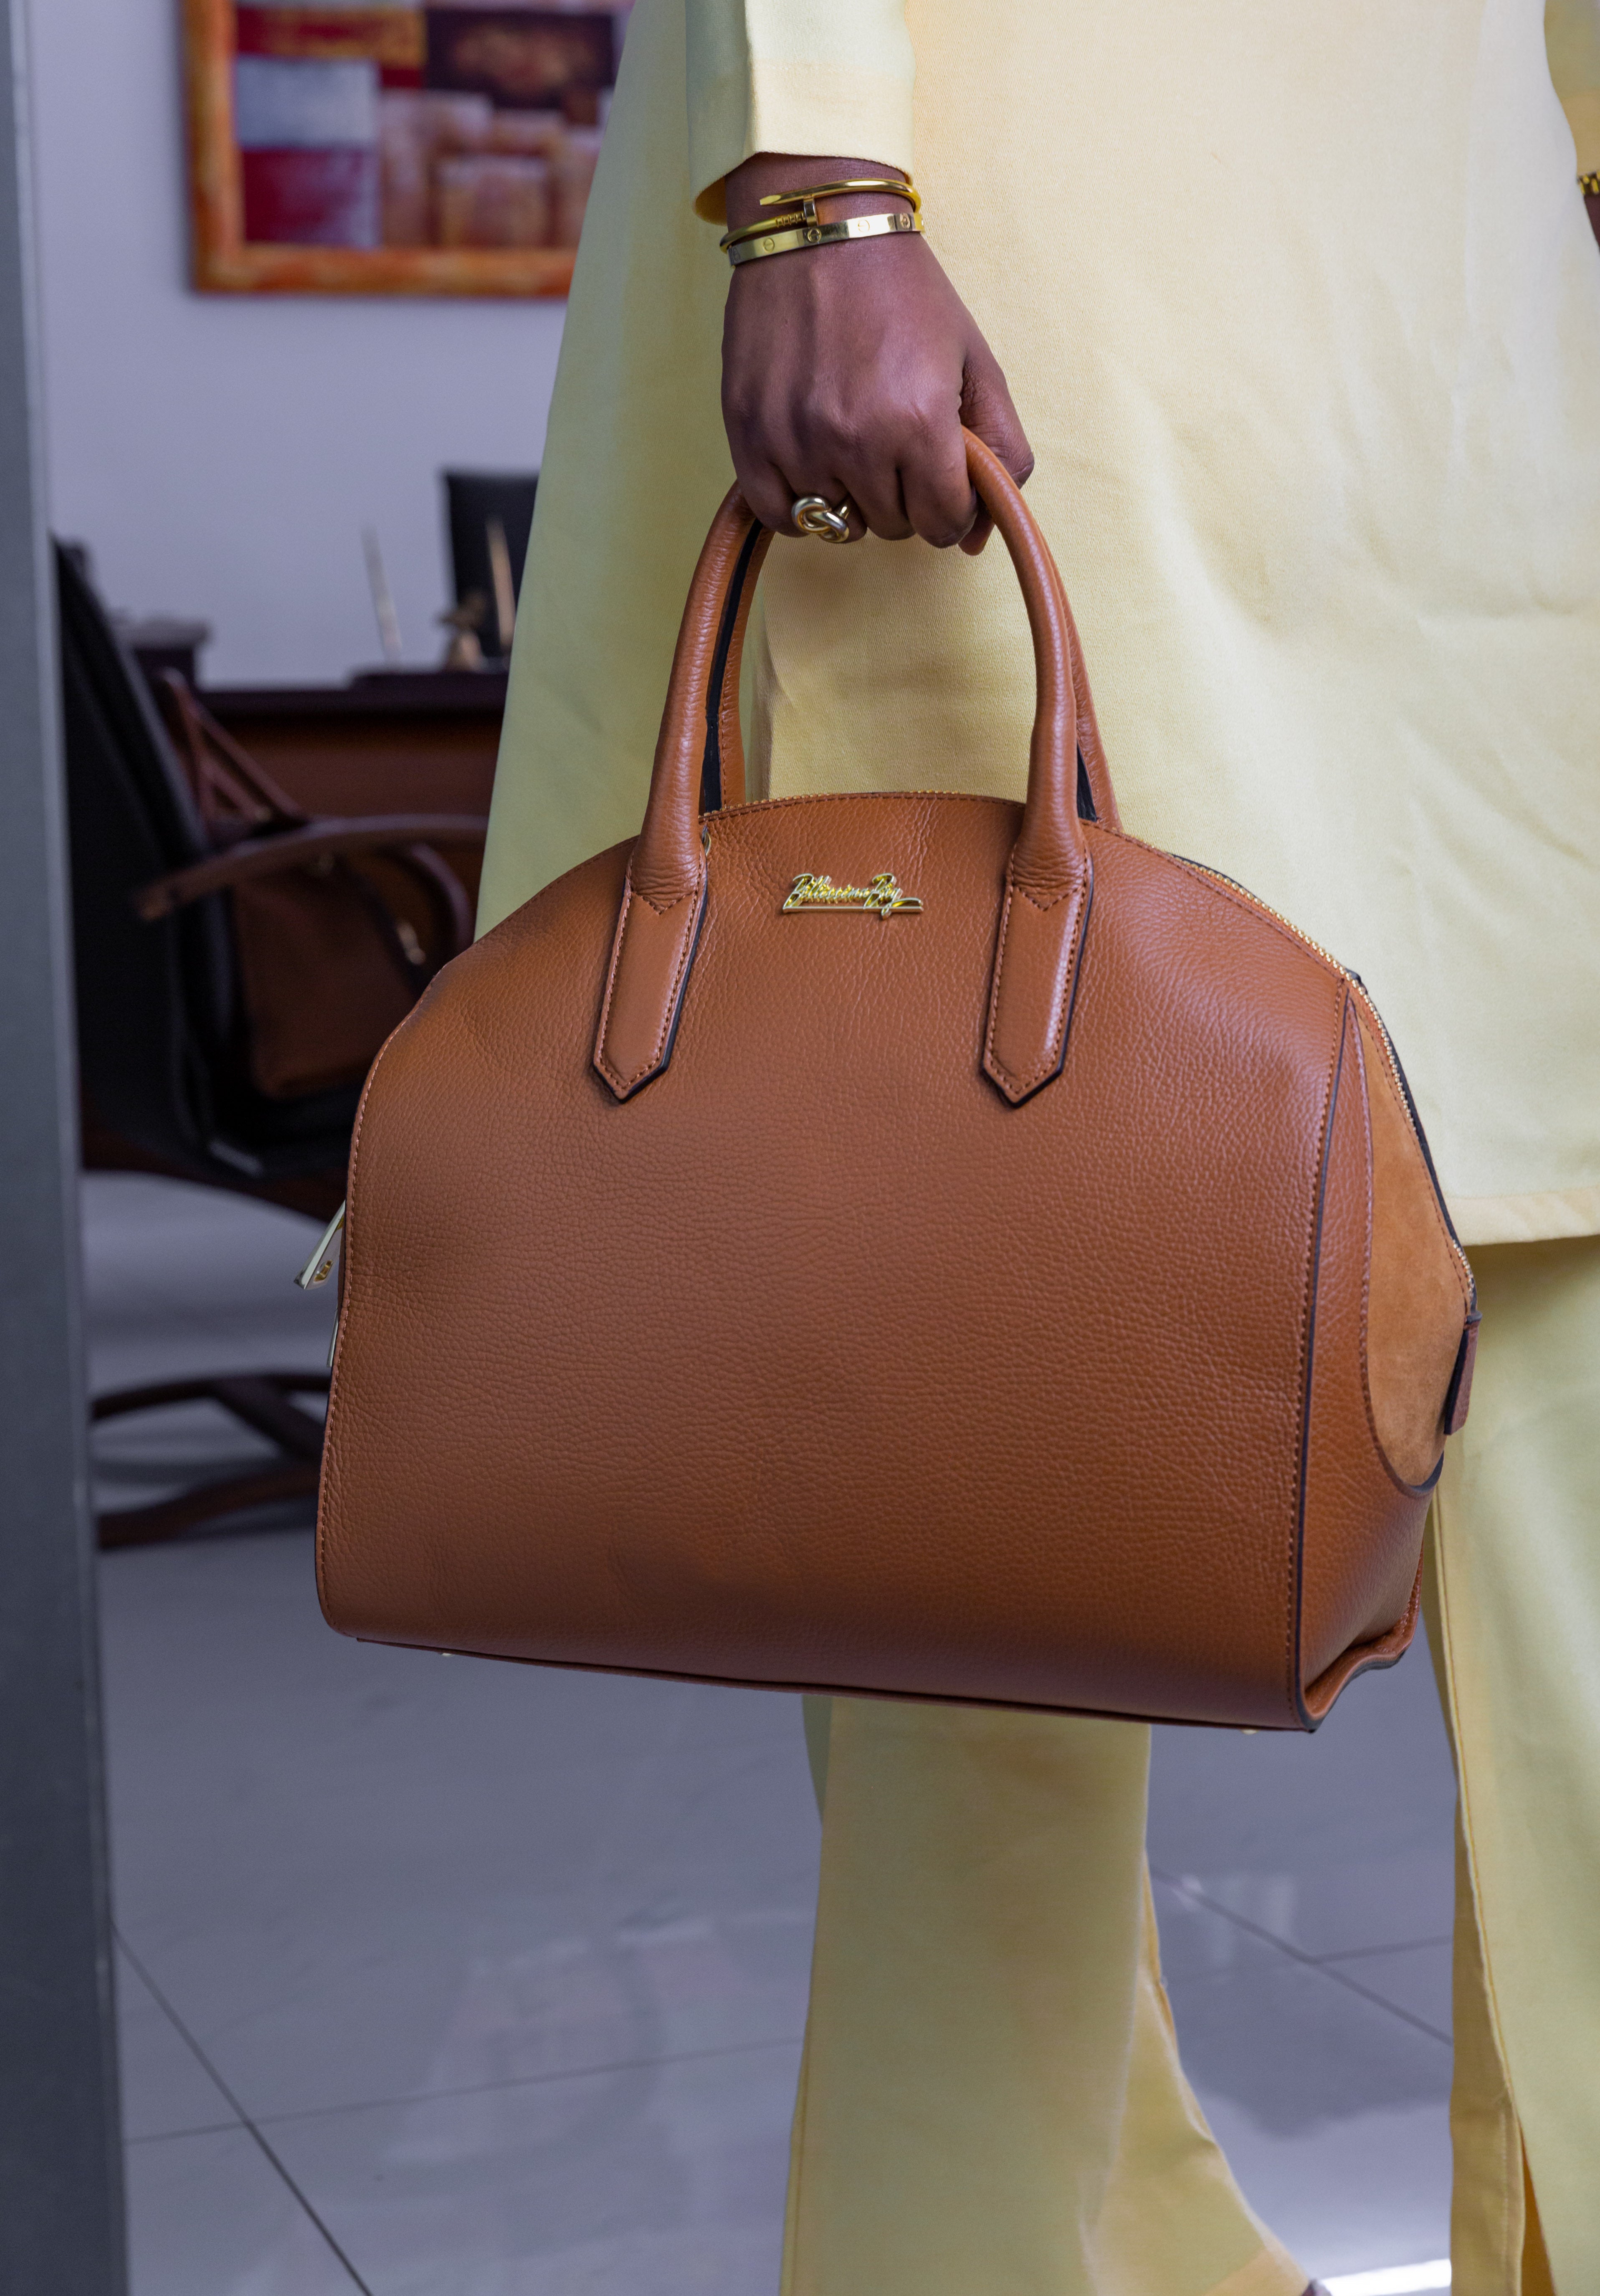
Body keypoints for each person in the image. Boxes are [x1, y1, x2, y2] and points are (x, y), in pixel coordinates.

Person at [476, 3, 1600, 2288]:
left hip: (1465, 302)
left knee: (1562, 1297)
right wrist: (819, 177)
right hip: (1015, 248)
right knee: (969, 1382)